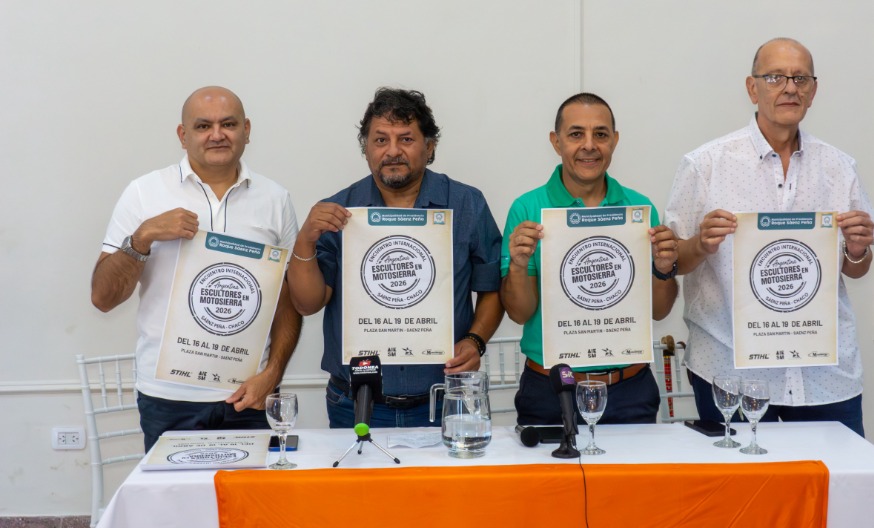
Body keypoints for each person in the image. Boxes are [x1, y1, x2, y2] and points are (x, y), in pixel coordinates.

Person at [665, 38, 874, 436]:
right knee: (740, 480)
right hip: (730, 371)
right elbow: (671, 259)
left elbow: (856, 268)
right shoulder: (705, 165)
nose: (790, 88)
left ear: (813, 91)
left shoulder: (840, 167)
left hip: (824, 374)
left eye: (801, 78)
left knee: (837, 478)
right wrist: (700, 244)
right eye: (776, 77)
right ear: (752, 87)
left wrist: (859, 250)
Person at [91, 86, 302, 450]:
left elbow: (288, 301)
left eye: (228, 124)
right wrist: (142, 237)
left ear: (247, 130)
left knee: (252, 490)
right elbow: (103, 298)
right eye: (203, 126)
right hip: (168, 398)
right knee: (173, 490)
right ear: (182, 135)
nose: (217, 135)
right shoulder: (144, 192)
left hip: (249, 396)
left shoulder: (275, 199)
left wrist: (272, 374)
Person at [287, 87, 504, 428]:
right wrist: (305, 241)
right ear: (366, 148)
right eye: (380, 140)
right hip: (355, 403)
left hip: (446, 399)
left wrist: (475, 341)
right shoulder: (338, 210)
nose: (392, 151)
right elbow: (307, 303)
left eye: (406, 139)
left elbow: (493, 286)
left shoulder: (466, 204)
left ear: (429, 147)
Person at [501, 92, 679, 425]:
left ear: (615, 140)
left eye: (600, 134)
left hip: (630, 389)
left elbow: (659, 311)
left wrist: (664, 269)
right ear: (556, 141)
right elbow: (519, 312)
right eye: (575, 134)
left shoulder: (639, 209)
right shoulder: (527, 209)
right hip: (551, 389)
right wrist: (518, 266)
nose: (589, 145)